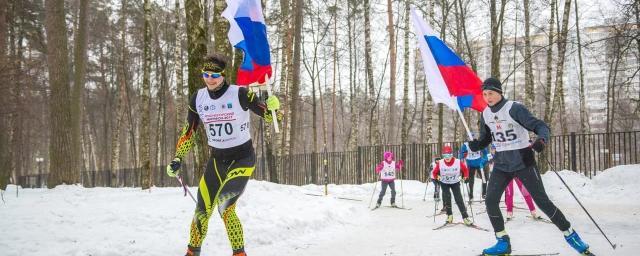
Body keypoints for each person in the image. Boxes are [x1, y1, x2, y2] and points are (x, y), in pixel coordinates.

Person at [166, 53, 282, 256]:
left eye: (214, 75)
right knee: (202, 210)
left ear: (223, 75)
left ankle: (239, 253)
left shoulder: (240, 94)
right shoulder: (198, 98)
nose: (209, 79)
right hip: (217, 160)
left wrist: (275, 108)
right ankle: (192, 252)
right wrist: (178, 157)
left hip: (242, 159)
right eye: (206, 74)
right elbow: (189, 132)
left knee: (225, 205)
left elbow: (269, 115)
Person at [468, 77, 591, 256]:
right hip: (502, 163)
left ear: (500, 92)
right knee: (490, 200)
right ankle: (503, 242)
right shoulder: (485, 113)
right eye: (485, 94)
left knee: (542, 202)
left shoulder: (514, 108)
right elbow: (486, 138)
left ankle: (571, 236)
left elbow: (540, 126)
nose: (488, 97)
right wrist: (477, 145)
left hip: (522, 161)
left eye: (491, 93)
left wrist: (542, 140)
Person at [431, 145, 473, 225]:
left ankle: (465, 217)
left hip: (455, 182)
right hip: (444, 183)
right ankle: (449, 216)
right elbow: (434, 172)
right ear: (443, 155)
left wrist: (466, 177)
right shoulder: (440, 162)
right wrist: (438, 177)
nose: (447, 157)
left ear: (452, 154)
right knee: (447, 198)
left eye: (449, 155)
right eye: (445, 155)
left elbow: (465, 170)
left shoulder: (457, 161)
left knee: (459, 199)